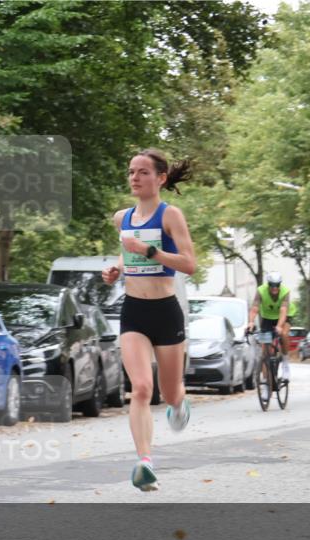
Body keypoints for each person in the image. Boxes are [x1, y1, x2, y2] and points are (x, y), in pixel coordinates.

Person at [102, 149, 196, 492]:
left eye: (143, 172)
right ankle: (144, 462)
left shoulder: (170, 215)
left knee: (170, 393)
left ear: (161, 178)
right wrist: (116, 269)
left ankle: (179, 403)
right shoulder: (121, 217)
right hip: (134, 312)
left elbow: (189, 263)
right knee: (141, 388)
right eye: (131, 172)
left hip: (166, 310)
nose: (135, 178)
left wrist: (149, 251)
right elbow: (128, 256)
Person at [246, 272, 294, 382]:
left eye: (277, 285)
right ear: (268, 284)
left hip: (283, 317)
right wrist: (251, 322)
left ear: (280, 285)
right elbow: (254, 308)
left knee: (283, 334)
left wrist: (279, 326)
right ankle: (266, 382)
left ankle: (285, 364)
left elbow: (283, 310)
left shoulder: (285, 291)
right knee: (266, 351)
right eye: (272, 285)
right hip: (267, 318)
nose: (274, 288)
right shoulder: (261, 290)